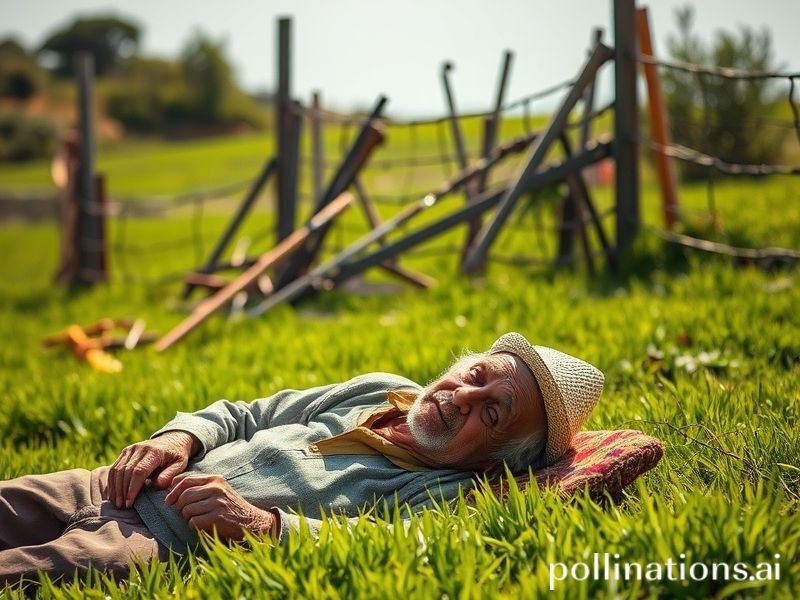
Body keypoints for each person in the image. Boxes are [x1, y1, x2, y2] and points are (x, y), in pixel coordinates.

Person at [0, 332, 603, 586]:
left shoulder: (443, 494)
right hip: (114, 482)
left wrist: (264, 526)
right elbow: (247, 413)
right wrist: (177, 438)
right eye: (475, 375)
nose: (461, 396)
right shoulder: (379, 387)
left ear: (502, 457)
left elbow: (383, 549)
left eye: (491, 413)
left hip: (157, 541)